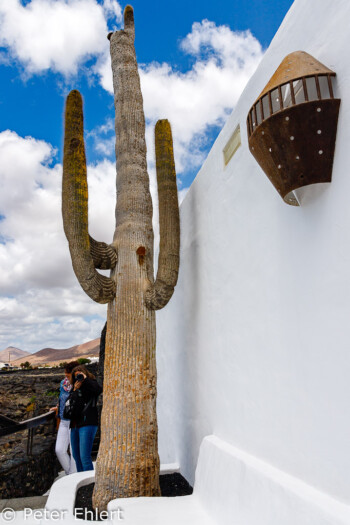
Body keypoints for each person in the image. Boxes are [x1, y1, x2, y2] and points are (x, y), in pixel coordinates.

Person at [69, 364, 102, 472]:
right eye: (76, 376)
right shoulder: (75, 387)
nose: (78, 378)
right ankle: (80, 479)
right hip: (75, 425)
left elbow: (98, 390)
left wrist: (86, 379)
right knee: (76, 457)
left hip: (88, 423)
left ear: (85, 373)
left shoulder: (91, 383)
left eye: (80, 375)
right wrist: (74, 390)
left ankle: (89, 484)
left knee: (85, 457)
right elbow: (71, 403)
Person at [50, 361, 79, 475]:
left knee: (73, 451)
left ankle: (72, 476)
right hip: (63, 420)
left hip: (75, 421)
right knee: (59, 450)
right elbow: (62, 398)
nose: (66, 378)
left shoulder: (80, 384)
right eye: (65, 375)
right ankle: (71, 474)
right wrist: (58, 407)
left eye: (68, 375)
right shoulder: (63, 383)